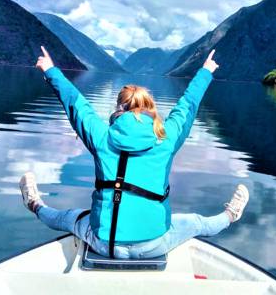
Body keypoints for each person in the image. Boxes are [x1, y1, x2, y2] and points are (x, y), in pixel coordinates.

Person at [19, 46, 249, 259]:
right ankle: (231, 215)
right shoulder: (165, 139)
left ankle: (35, 204)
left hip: (104, 243)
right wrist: (205, 71)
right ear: (150, 108)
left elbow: (76, 104)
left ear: (119, 108)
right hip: (154, 244)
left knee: (68, 218)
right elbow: (187, 105)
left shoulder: (101, 137)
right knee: (196, 223)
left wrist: (50, 70)